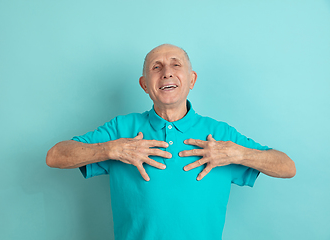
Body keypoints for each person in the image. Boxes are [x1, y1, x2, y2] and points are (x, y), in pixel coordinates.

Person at [46, 44, 296, 240]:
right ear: (145, 84)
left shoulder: (219, 134)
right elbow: (55, 155)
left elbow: (287, 166)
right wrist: (111, 149)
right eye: (156, 67)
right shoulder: (122, 129)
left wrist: (238, 154)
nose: (167, 72)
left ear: (191, 80)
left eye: (176, 65)